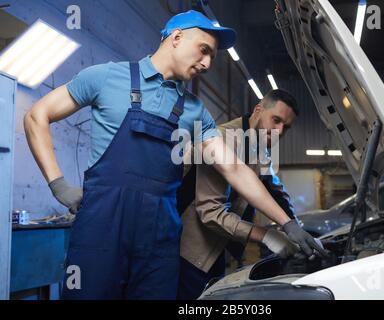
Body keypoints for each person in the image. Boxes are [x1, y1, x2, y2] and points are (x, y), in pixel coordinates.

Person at [24, 10, 324, 300]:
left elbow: (234, 169)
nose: (207, 63)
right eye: (203, 50)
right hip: (101, 234)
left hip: (159, 244)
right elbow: (38, 115)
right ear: (176, 37)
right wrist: (58, 185)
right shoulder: (105, 77)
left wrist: (287, 224)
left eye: (212, 57)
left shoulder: (195, 112)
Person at [176, 89, 325, 299]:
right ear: (258, 110)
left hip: (215, 249)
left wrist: (297, 231)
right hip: (187, 252)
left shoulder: (259, 149)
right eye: (276, 120)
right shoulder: (223, 140)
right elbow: (210, 213)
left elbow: (275, 191)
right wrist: (267, 236)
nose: (280, 130)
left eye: (286, 127)